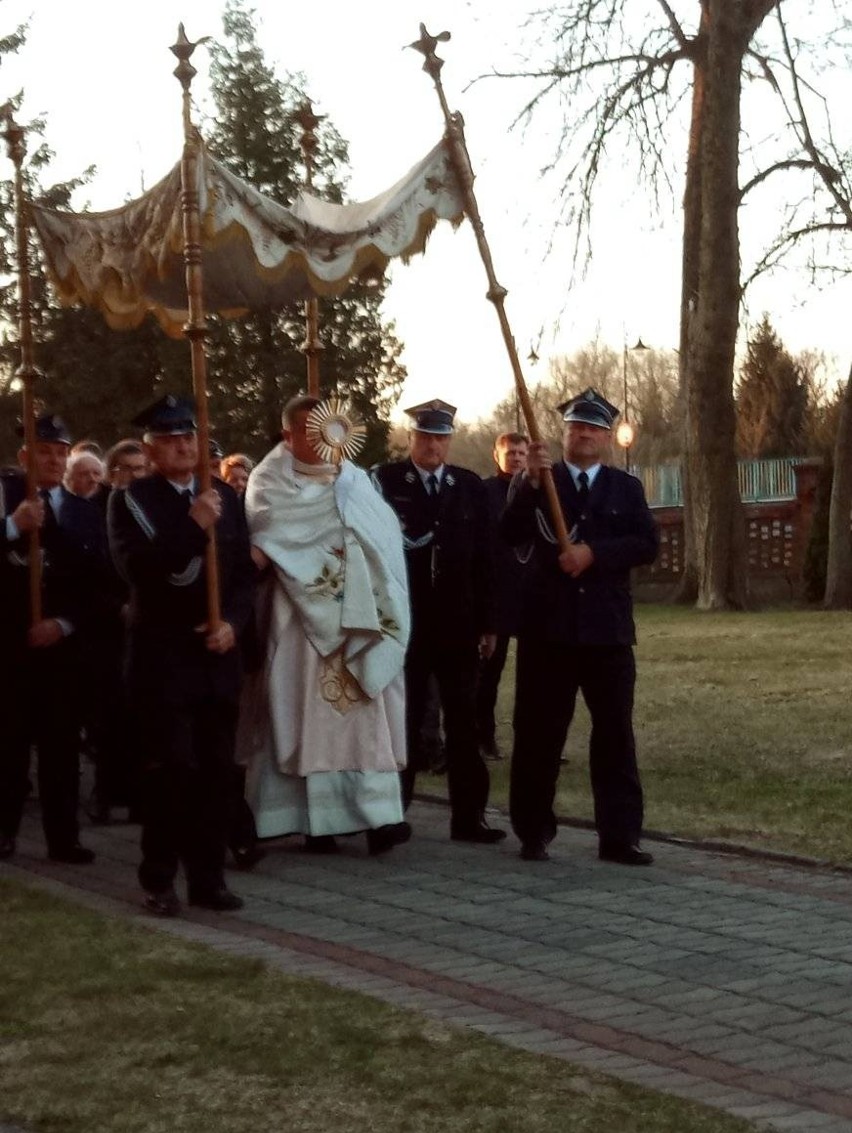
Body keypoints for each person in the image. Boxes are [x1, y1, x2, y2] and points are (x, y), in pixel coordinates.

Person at [237, 395, 411, 856]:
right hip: (299, 621)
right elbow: (275, 535)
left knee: (366, 716)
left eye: (330, 430)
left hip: (364, 624)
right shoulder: (268, 481)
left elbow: (385, 539)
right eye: (311, 432)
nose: (325, 441)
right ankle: (314, 823)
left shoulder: (357, 481)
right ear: (289, 435)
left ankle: (378, 817)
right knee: (305, 713)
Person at [108, 395, 256, 915]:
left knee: (217, 772)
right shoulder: (132, 500)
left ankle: (208, 879)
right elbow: (141, 570)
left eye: (189, 437)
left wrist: (233, 624)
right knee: (173, 771)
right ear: (151, 448)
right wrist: (193, 524)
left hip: (216, 658)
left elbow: (242, 577)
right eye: (171, 439)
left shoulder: (224, 498)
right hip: (163, 659)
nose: (183, 446)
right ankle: (159, 879)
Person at [501, 388, 659, 864]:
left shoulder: (624, 488)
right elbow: (509, 534)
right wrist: (529, 485)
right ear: (563, 433)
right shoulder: (538, 481)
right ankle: (533, 831)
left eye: (593, 427)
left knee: (614, 734)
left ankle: (619, 836)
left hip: (606, 632)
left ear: (607, 436)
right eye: (575, 426)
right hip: (548, 631)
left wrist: (594, 553)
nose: (584, 434)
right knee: (539, 734)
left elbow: (646, 544)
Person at [372, 399, 504, 844]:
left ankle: (469, 817)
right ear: (411, 439)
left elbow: (487, 559)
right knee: (404, 719)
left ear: (450, 441)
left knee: (464, 721)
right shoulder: (387, 482)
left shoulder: (468, 487)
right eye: (425, 436)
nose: (433, 445)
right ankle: (392, 814)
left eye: (441, 437)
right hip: (407, 622)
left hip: (459, 623)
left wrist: (489, 622)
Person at [0, 413, 103, 863]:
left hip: (62, 647)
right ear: (25, 455)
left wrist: (63, 623)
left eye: (61, 453)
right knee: (8, 743)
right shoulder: (5, 496)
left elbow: (100, 583)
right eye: (44, 451)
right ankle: (4, 832)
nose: (53, 460)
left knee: (61, 746)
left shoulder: (84, 510)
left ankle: (64, 838)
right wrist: (10, 528)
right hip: (9, 643)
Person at [475, 431, 530, 760]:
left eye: (522, 453)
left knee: (535, 678)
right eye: (511, 453)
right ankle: (485, 737)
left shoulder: (540, 490)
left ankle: (533, 739)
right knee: (489, 676)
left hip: (532, 597)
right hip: (496, 596)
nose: (517, 458)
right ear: (497, 455)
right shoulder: (483, 493)